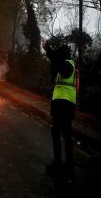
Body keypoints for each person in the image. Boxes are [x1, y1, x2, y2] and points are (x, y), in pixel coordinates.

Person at [43, 41, 76, 183]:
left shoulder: (68, 64)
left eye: (59, 53)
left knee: (66, 135)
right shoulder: (61, 61)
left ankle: (68, 166)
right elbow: (54, 59)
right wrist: (47, 48)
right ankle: (58, 163)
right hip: (60, 104)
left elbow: (61, 67)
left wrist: (51, 51)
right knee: (56, 133)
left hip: (66, 105)